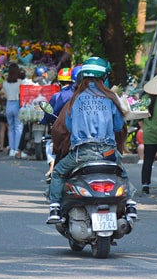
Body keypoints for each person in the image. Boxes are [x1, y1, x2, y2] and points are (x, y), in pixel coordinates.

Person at [46, 57, 135, 224]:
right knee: (122, 173)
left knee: (57, 172)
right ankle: (130, 204)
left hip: (81, 153)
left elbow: (68, 125)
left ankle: (55, 207)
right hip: (108, 153)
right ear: (104, 77)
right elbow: (118, 126)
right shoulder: (110, 98)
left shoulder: (75, 99)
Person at [3, 62, 23, 158]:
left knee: (10, 128)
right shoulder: (19, 82)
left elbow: (4, 94)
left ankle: (11, 149)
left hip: (8, 104)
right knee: (18, 127)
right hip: (16, 103)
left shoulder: (5, 83)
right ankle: (16, 149)